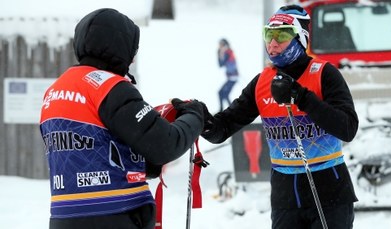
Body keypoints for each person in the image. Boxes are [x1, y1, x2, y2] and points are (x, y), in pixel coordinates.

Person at [39, 8, 205, 229]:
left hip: (63, 216)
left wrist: (147, 164)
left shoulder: (54, 92)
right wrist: (194, 115)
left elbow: (94, 151)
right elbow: (166, 144)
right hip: (115, 213)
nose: (133, 57)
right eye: (132, 48)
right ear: (119, 46)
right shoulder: (108, 87)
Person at [200, 5, 358, 229]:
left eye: (281, 35)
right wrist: (199, 119)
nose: (272, 44)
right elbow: (221, 129)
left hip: (328, 193)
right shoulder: (262, 82)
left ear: (300, 38)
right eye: (268, 35)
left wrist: (302, 98)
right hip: (286, 197)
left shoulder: (325, 74)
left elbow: (348, 128)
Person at [217, 38, 239, 111]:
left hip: (233, 77)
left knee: (222, 93)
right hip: (232, 77)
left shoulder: (227, 52)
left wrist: (219, 53)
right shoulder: (227, 52)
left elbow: (221, 64)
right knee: (223, 93)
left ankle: (226, 110)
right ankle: (229, 110)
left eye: (220, 45)